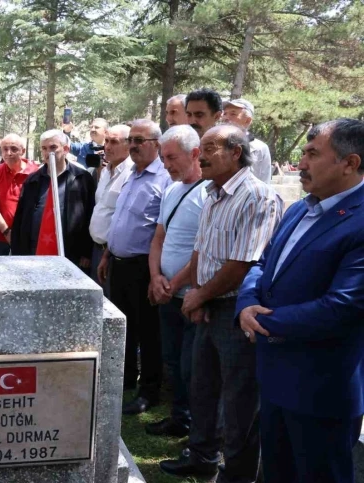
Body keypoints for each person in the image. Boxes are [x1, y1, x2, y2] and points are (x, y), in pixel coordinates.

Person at [236, 119, 364, 483]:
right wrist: (246, 304)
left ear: (350, 163)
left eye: (313, 154)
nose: (301, 163)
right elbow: (263, 264)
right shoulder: (299, 209)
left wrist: (261, 321)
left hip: (321, 390)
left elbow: (341, 307)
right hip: (275, 377)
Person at [160, 125, 282, 481]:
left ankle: (238, 475)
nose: (202, 155)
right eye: (201, 148)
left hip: (235, 311)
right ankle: (203, 457)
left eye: (210, 147)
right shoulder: (212, 193)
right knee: (203, 388)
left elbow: (243, 264)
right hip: (209, 306)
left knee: (239, 401)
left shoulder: (257, 196)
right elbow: (201, 249)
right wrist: (198, 295)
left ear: (236, 152)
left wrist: (200, 294)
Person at [97, 119, 171, 414]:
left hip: (143, 267)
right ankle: (125, 379)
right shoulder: (131, 174)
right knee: (123, 326)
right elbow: (120, 219)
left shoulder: (164, 179)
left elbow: (162, 232)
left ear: (157, 145)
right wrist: (107, 253)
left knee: (148, 331)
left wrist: (155, 273)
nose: (134, 146)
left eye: (140, 140)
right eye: (132, 140)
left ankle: (149, 390)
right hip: (118, 263)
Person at [145, 125, 207, 438]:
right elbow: (159, 238)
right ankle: (179, 418)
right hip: (167, 293)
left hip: (191, 296)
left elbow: (205, 248)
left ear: (195, 153)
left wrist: (174, 282)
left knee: (192, 366)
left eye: (171, 157)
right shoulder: (171, 190)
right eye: (163, 157)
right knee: (172, 360)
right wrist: (155, 276)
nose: (166, 164)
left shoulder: (209, 193)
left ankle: (198, 428)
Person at [11, 129, 95, 268]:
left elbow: (89, 215)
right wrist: (17, 251)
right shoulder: (32, 180)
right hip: (34, 251)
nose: (48, 152)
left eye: (53, 147)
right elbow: (20, 218)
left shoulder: (82, 178)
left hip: (70, 252)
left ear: (66, 149)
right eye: (44, 148)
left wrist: (86, 252)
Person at [88, 124, 133, 290]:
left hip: (113, 254)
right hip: (96, 249)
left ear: (129, 145)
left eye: (114, 142)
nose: (107, 146)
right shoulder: (106, 170)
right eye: (106, 141)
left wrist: (108, 253)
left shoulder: (132, 173)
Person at [0, 134, 39, 256]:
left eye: (14, 149)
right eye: (5, 149)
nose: (8, 153)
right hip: (1, 237)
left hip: (28, 237)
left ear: (23, 151)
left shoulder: (36, 172)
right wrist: (6, 232)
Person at [222, 98, 272, 183]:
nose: (226, 118)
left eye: (233, 114)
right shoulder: (214, 144)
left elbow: (264, 182)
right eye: (225, 113)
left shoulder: (260, 148)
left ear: (247, 120)